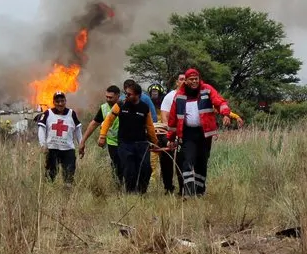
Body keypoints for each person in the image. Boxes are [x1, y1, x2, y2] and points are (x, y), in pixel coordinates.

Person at [167, 68, 231, 198]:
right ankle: (189, 193)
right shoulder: (179, 96)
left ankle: (200, 191)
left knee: (202, 162)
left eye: (196, 78)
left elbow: (220, 101)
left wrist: (226, 114)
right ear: (186, 81)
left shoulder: (207, 89)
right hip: (187, 134)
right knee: (188, 161)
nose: (194, 81)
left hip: (204, 134)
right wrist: (171, 138)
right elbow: (173, 119)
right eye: (191, 79)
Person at [98, 83, 159, 194]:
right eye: (126, 93)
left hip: (141, 143)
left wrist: (155, 141)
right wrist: (102, 136)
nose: (126, 96)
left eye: (129, 94)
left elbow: (150, 126)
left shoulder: (144, 108)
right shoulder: (120, 105)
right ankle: (130, 193)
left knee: (146, 169)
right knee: (130, 170)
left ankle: (141, 192)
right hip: (125, 144)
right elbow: (108, 120)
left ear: (137, 95)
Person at [78, 85, 123, 186]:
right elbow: (93, 124)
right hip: (112, 142)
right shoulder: (104, 108)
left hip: (125, 141)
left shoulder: (124, 106)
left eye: (110, 97)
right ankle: (119, 187)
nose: (108, 99)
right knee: (116, 165)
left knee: (126, 165)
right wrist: (83, 141)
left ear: (118, 96)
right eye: (106, 97)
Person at [37, 91, 82, 186]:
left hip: (68, 149)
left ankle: (67, 194)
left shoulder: (71, 113)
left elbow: (78, 129)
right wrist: (43, 144)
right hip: (52, 149)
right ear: (53, 102)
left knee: (69, 174)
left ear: (65, 101)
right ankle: (50, 193)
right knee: (50, 174)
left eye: (62, 101)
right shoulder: (48, 113)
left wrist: (81, 144)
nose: (60, 103)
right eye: (57, 101)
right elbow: (41, 128)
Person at [156, 72, 187, 195]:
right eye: (181, 79)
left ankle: (183, 189)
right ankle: (168, 187)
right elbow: (164, 117)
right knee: (167, 161)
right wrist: (171, 135)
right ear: (177, 82)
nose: (184, 81)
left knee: (182, 161)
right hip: (169, 133)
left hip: (186, 134)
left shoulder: (192, 96)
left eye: (186, 79)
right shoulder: (170, 96)